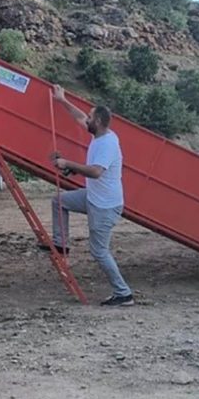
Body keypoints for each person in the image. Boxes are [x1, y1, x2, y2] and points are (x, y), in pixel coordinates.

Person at [48, 85, 134, 307]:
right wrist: (62, 100)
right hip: (94, 197)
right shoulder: (99, 135)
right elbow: (78, 117)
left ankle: (124, 293)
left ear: (99, 121)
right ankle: (60, 244)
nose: (86, 119)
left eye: (90, 117)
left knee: (99, 251)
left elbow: (96, 172)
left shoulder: (107, 143)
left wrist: (67, 163)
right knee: (59, 201)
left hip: (105, 205)